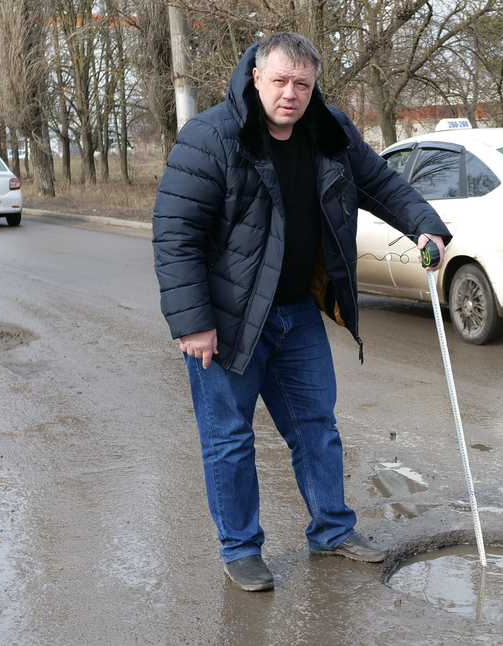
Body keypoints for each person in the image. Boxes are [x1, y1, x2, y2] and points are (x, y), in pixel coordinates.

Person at [152, 32, 449, 592]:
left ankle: (332, 531)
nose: (291, 94)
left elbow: (380, 182)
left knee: (318, 428)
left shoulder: (326, 130)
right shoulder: (211, 136)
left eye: (303, 84)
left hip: (296, 313)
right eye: (282, 81)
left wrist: (425, 223)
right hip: (230, 320)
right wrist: (193, 323)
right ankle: (240, 548)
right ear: (256, 77)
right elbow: (175, 236)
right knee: (230, 439)